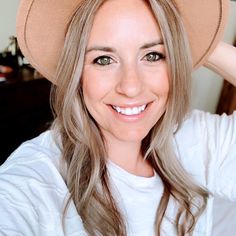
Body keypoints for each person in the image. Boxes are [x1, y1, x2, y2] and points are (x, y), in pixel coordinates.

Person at [0, 0, 236, 235]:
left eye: (153, 55)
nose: (131, 87)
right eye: (103, 59)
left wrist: (197, 43)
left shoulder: (193, 138)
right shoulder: (32, 183)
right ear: (76, 72)